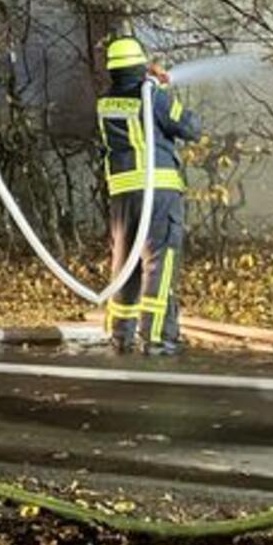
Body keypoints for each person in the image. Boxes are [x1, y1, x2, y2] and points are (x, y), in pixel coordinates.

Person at [96, 37, 201, 356]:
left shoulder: (106, 102)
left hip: (123, 195)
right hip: (158, 191)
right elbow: (191, 127)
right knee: (160, 261)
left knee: (126, 264)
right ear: (141, 64)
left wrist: (150, 82)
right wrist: (161, 89)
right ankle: (157, 337)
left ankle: (121, 335)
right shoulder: (154, 96)